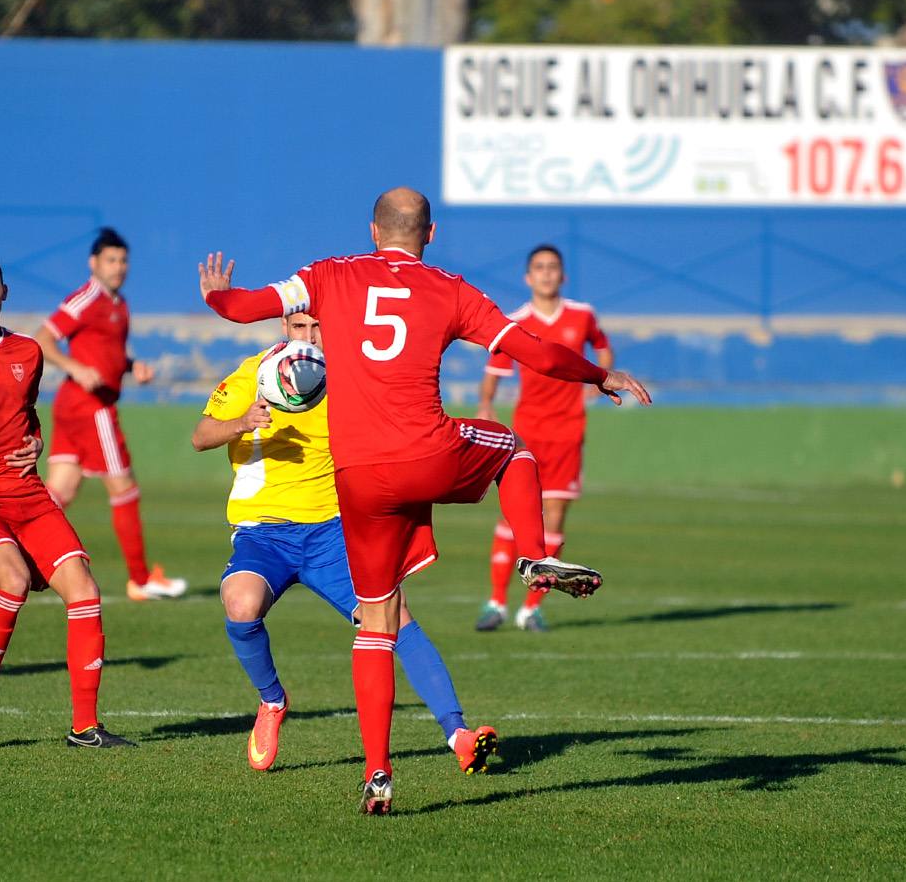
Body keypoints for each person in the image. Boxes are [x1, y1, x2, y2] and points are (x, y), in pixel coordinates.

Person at [199, 187, 651, 815]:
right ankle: (531, 555)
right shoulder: (450, 289)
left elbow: (243, 307)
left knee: (376, 626)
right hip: (425, 455)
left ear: (372, 230)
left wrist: (217, 297)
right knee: (514, 450)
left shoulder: (329, 275)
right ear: (431, 234)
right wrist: (599, 374)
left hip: (359, 481)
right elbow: (533, 351)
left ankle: (377, 773)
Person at [193, 311, 497, 775]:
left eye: (319, 327)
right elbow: (201, 437)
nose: (310, 336)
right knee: (240, 604)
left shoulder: (353, 379)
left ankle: (459, 735)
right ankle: (272, 701)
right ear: (284, 328)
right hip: (263, 532)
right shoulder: (252, 374)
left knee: (394, 619)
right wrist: (241, 422)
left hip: (334, 531)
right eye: (300, 327)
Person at [0, 247, 135, 749]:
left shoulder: (27, 353)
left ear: (4, 291)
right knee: (12, 581)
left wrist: (36, 443)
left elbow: (25, 418)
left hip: (29, 495)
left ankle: (85, 728)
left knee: (85, 591)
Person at [31, 227, 186, 601]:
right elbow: (42, 339)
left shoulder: (119, 303)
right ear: (93, 263)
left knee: (59, 492)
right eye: (111, 260)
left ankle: (5, 545)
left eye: (123, 260)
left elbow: (109, 353)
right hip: (91, 407)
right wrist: (76, 368)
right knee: (125, 490)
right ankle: (140, 579)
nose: (118, 267)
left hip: (74, 406)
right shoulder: (86, 299)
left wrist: (132, 366)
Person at [475, 244, 614, 633]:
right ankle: (496, 602)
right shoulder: (516, 322)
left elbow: (603, 348)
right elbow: (494, 369)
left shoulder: (582, 315)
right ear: (528, 277)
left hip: (568, 431)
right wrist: (485, 405)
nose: (547, 273)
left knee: (554, 516)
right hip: (528, 433)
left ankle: (532, 609)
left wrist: (597, 384)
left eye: (553, 267)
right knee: (514, 517)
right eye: (539, 267)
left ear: (563, 275)